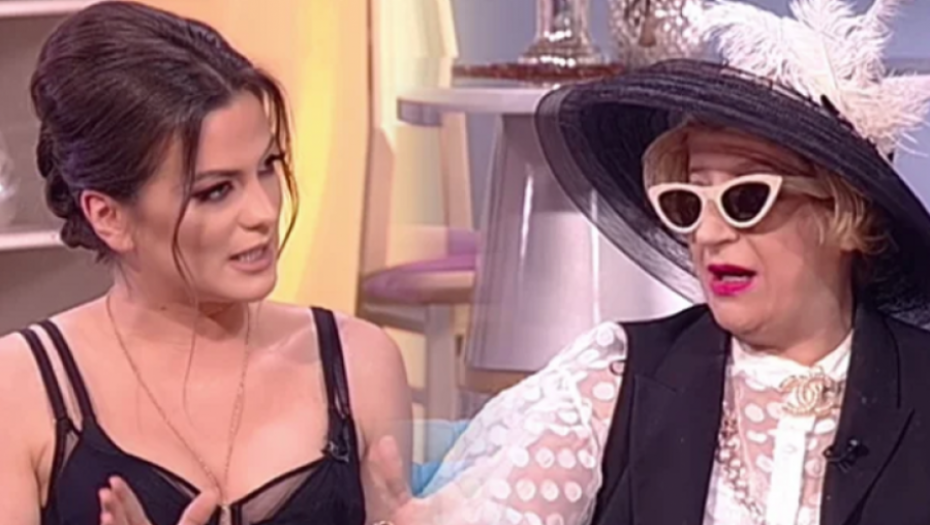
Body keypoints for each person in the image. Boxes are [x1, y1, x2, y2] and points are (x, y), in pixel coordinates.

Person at [364, 0, 930, 523]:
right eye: (688, 203)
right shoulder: (615, 383)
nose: (708, 234)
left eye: (744, 199)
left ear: (843, 214)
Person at [0, 2, 412, 525]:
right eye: (216, 191)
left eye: (268, 167)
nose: (263, 213)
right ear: (108, 217)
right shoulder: (18, 389)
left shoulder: (361, 363)